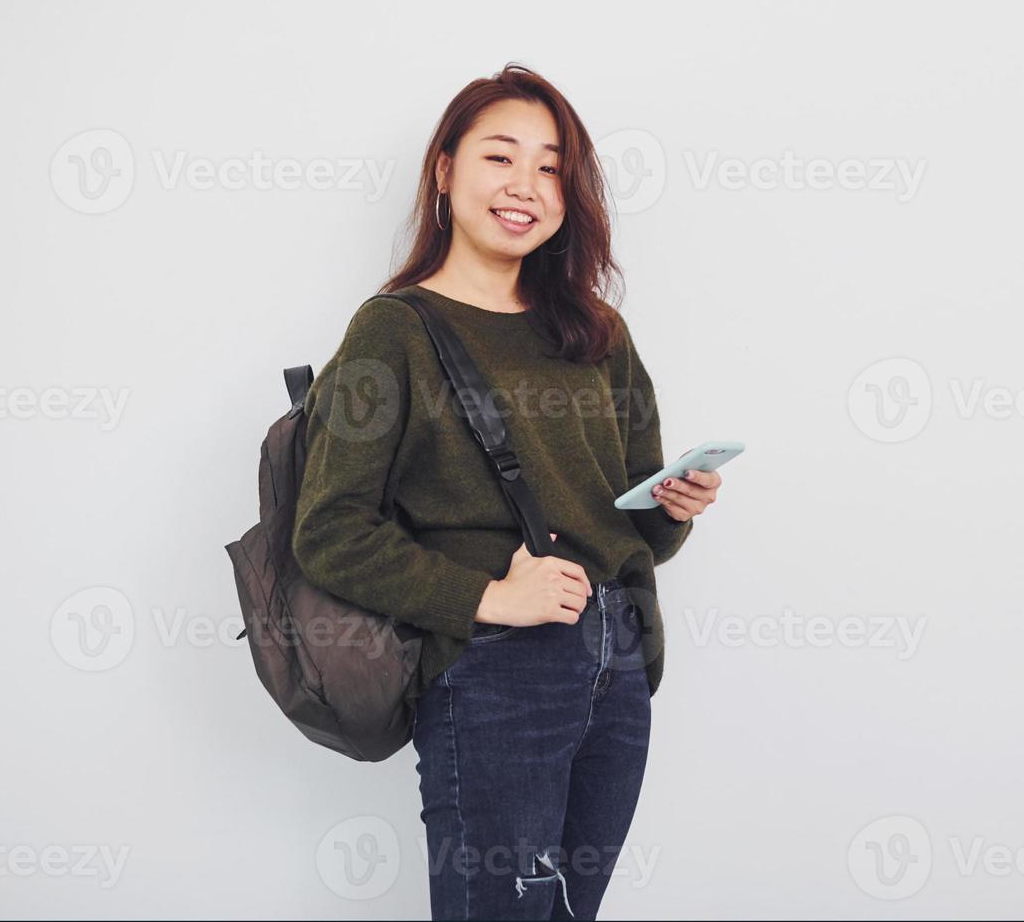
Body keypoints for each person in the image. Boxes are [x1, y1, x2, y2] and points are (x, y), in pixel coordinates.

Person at [290, 62, 723, 920]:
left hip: (619, 660)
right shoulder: (396, 329)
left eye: (553, 166)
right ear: (445, 170)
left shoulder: (596, 330)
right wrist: (489, 597)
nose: (527, 185)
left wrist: (671, 509)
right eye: (501, 157)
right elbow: (329, 528)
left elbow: (626, 519)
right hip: (498, 671)